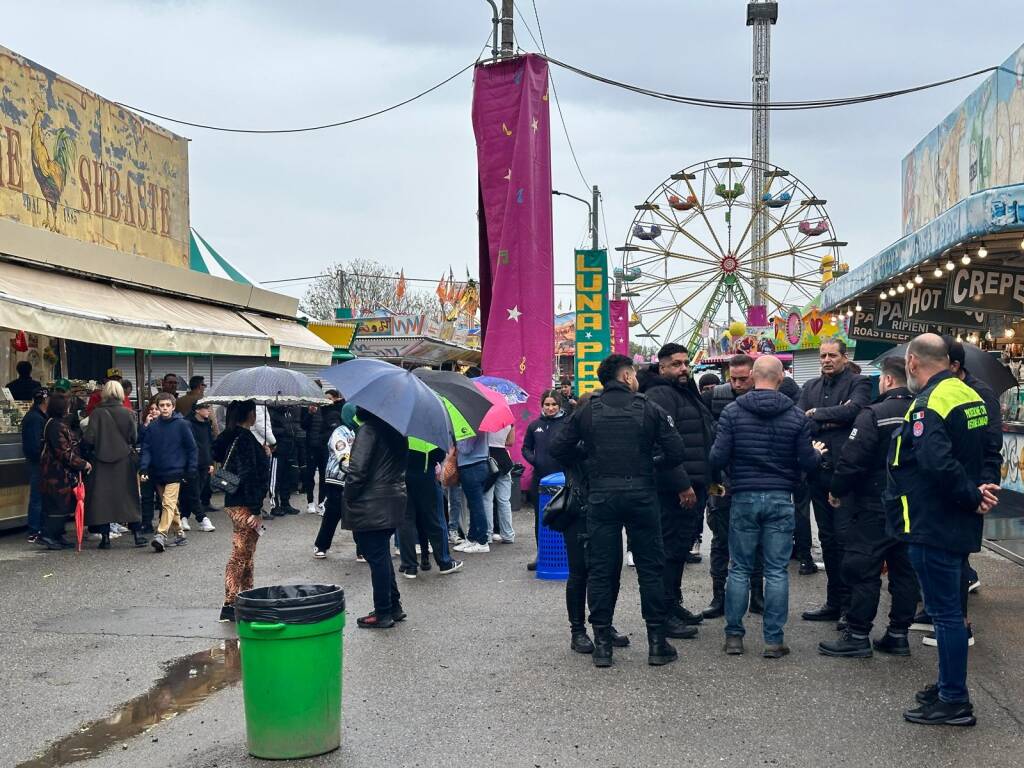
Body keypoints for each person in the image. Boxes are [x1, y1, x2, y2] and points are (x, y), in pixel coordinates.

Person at [888, 333, 999, 726]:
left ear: (913, 362)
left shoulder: (929, 403)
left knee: (945, 615)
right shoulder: (969, 394)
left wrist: (972, 495)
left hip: (933, 520)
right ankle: (948, 683)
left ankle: (954, 699)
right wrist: (982, 490)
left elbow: (935, 462)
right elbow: (990, 448)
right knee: (949, 610)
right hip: (958, 519)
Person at [550, 354, 688, 668]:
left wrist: (590, 457)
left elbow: (558, 448)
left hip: (601, 496)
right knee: (650, 568)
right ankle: (656, 643)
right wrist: (650, 465)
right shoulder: (649, 408)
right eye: (635, 374)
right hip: (641, 494)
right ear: (626, 376)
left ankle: (602, 645)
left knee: (601, 570)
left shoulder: (587, 410)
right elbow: (676, 452)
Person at [710, 356, 823, 659]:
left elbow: (717, 457)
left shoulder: (732, 412)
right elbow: (807, 462)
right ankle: (773, 640)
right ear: (781, 377)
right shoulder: (796, 416)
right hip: (779, 497)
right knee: (775, 571)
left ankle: (734, 636)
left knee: (739, 568)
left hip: (744, 496)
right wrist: (817, 454)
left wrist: (724, 477)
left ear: (754, 376)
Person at [818, 356, 918, 659]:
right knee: (904, 571)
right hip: (913, 506)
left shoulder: (874, 414)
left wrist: (837, 490)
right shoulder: (925, 411)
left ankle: (858, 633)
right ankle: (898, 634)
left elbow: (852, 460)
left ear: (887, 380)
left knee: (863, 568)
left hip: (875, 504)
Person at [639, 343, 715, 632]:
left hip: (693, 483)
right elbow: (663, 443)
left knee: (679, 548)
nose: (683, 368)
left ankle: (673, 602)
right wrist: (682, 484)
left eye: (685, 363)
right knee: (668, 550)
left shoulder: (682, 392)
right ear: (662, 367)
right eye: (676, 364)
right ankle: (664, 613)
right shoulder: (660, 394)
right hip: (674, 489)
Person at [798, 338, 871, 623]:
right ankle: (833, 601)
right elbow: (800, 419)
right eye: (822, 356)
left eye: (832, 355)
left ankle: (849, 607)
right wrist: (831, 418)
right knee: (827, 539)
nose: (826, 360)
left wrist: (817, 414)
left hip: (846, 474)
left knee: (845, 540)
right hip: (819, 473)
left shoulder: (858, 383)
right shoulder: (811, 387)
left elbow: (856, 412)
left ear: (844, 357)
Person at [701, 353, 763, 619]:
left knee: (757, 541)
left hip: (753, 479)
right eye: (733, 378)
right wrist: (712, 484)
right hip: (721, 480)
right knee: (720, 541)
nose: (737, 384)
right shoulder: (713, 398)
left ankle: (757, 595)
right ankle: (719, 597)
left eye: (743, 378)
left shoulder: (766, 398)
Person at [343, 408, 409, 629]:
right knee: (381, 555)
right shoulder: (397, 430)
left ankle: (383, 612)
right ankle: (393, 606)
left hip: (371, 503)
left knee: (376, 556)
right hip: (392, 499)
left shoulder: (369, 430)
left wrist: (349, 496)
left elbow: (357, 470)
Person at [214, 400, 271, 622]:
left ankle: (246, 596)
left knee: (247, 551)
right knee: (240, 552)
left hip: (232, 499)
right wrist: (256, 508)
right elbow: (250, 475)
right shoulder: (246, 439)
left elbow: (217, 453)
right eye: (254, 412)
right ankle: (230, 602)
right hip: (245, 502)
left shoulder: (229, 436)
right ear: (249, 414)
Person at [82, 380, 146, 549]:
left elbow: (89, 438)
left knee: (102, 499)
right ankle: (137, 535)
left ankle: (105, 538)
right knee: (129, 496)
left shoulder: (97, 414)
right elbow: (134, 438)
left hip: (101, 461)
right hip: (124, 460)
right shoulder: (128, 413)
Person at [397, 437, 464, 577]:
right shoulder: (429, 430)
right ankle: (444, 562)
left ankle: (409, 566)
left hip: (402, 477)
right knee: (435, 520)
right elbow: (438, 455)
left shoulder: (400, 427)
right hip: (425, 476)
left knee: (405, 522)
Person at [141, 392, 198, 552]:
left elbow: (192, 448)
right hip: (157, 471)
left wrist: (191, 469)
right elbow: (146, 449)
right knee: (170, 505)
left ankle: (161, 534)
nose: (165, 408)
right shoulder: (152, 427)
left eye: (168, 405)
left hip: (176, 470)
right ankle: (179, 534)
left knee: (167, 503)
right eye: (162, 405)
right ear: (157, 407)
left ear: (173, 407)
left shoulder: (182, 424)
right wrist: (144, 467)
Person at [521, 391, 569, 570]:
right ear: (542, 405)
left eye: (554, 404)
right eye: (547, 404)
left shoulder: (567, 423)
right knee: (540, 517)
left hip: (563, 479)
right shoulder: (534, 426)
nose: (550, 408)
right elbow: (526, 448)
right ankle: (541, 554)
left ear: (560, 405)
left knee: (564, 515)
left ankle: (566, 553)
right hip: (540, 479)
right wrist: (534, 460)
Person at [37, 393, 91, 550]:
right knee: (58, 505)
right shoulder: (56, 426)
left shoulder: (53, 423)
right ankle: (47, 535)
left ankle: (57, 535)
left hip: (58, 472)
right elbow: (64, 452)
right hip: (57, 473)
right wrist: (82, 464)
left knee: (62, 505)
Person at [313, 412, 357, 558]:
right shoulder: (339, 432)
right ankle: (321, 545)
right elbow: (343, 454)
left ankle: (362, 549)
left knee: (358, 514)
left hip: (356, 479)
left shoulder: (361, 431)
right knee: (332, 513)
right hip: (337, 479)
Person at [451, 429, 493, 554]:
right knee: (474, 505)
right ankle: (472, 538)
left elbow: (466, 449)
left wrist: (456, 441)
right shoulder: (479, 423)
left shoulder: (471, 426)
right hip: (478, 466)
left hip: (472, 467)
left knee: (476, 505)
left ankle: (482, 541)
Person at [301, 390, 343, 513]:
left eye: (330, 398)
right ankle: (310, 502)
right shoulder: (311, 408)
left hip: (325, 448)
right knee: (310, 475)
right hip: (311, 447)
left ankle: (321, 503)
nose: (327, 400)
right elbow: (303, 425)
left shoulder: (332, 410)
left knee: (324, 476)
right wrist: (309, 414)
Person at [182, 402, 216, 532]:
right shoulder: (187, 423)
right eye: (206, 408)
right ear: (197, 410)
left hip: (205, 462)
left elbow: (209, 443)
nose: (209, 410)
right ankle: (202, 518)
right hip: (191, 463)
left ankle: (183, 516)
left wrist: (210, 462)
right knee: (194, 492)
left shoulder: (207, 423)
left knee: (194, 492)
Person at [21, 388, 48, 543]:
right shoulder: (36, 419)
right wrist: (42, 456)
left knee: (39, 496)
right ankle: (34, 530)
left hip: (36, 461)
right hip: (37, 462)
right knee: (37, 496)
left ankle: (37, 528)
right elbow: (34, 445)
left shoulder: (35, 416)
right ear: (45, 400)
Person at [484, 424, 516, 544]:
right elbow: (510, 442)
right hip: (504, 460)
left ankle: (487, 535)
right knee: (504, 500)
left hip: (488, 459)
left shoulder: (483, 418)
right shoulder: (508, 419)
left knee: (487, 499)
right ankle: (508, 534)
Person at [268, 405, 302, 516]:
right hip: (278, 449)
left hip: (289, 448)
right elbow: (270, 429)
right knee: (275, 478)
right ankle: (275, 505)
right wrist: (285, 431)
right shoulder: (272, 413)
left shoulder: (288, 412)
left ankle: (285, 503)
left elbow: (293, 427)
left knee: (287, 477)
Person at [138, 401, 159, 533]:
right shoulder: (145, 425)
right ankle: (147, 522)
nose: (154, 411)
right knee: (147, 496)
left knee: (163, 496)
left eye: (156, 408)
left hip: (161, 464)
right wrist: (146, 424)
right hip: (147, 464)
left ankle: (165, 521)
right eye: (151, 409)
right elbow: (140, 440)